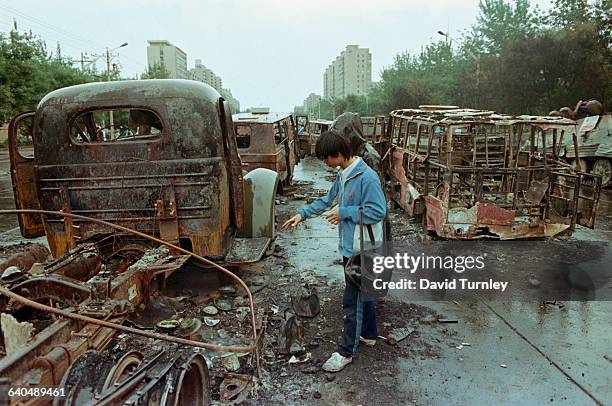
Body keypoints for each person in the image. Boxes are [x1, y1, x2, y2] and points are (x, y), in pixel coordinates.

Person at [282, 129, 387, 372]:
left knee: (353, 300)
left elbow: (378, 211)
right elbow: (327, 200)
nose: (325, 163)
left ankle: (345, 351)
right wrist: (302, 214)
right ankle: (369, 335)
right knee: (364, 293)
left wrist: (345, 213)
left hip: (364, 249)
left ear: (339, 154)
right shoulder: (343, 175)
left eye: (326, 158)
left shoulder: (367, 178)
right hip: (350, 246)